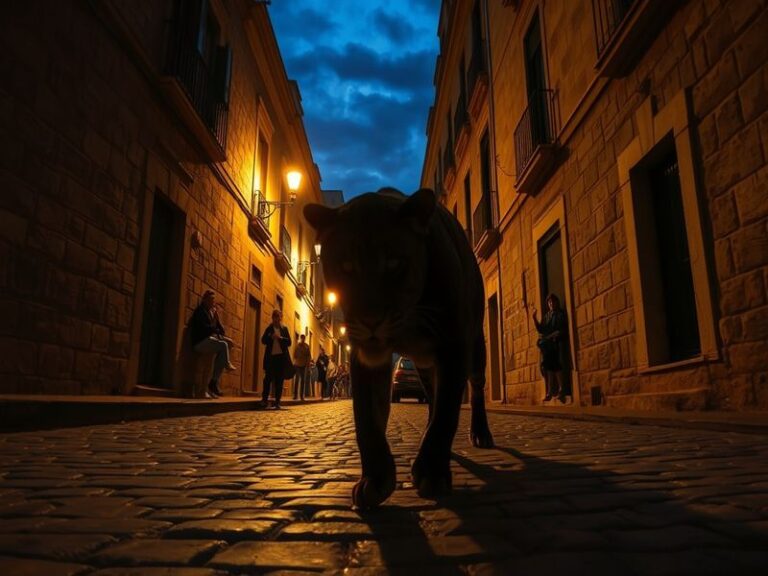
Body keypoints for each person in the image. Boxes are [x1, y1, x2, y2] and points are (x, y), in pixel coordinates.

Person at [189, 290, 236, 399]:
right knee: (223, 345)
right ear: (204, 300)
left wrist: (217, 318)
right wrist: (214, 327)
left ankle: (213, 382)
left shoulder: (212, 313)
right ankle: (218, 376)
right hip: (199, 342)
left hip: (208, 341)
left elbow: (221, 330)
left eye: (213, 300)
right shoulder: (200, 311)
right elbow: (204, 329)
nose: (212, 302)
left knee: (226, 344)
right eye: (210, 300)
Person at [532, 293, 568, 403]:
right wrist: (534, 318)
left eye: (553, 302)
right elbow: (542, 329)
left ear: (557, 302)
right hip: (548, 346)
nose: (551, 304)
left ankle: (559, 390)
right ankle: (551, 391)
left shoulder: (560, 314)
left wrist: (550, 337)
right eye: (549, 302)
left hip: (556, 344)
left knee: (555, 365)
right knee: (548, 367)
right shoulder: (547, 316)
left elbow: (560, 330)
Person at [260, 309, 291, 409]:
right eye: (275, 318)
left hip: (281, 358)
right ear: (273, 318)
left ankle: (277, 402)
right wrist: (271, 337)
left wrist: (281, 338)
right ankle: (264, 400)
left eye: (278, 318)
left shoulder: (284, 329)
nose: (277, 320)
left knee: (279, 381)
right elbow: (263, 340)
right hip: (271, 358)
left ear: (280, 318)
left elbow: (289, 342)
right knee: (267, 379)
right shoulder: (269, 328)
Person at [292, 334, 311, 401]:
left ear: (304, 339)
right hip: (297, 364)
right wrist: (295, 361)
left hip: (303, 365)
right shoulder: (297, 346)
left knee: (303, 380)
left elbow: (309, 356)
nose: (302, 339)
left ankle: (301, 396)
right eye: (302, 338)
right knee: (297, 380)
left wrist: (308, 364)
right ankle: (295, 395)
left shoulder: (307, 347)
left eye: (303, 338)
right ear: (300, 338)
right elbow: (294, 354)